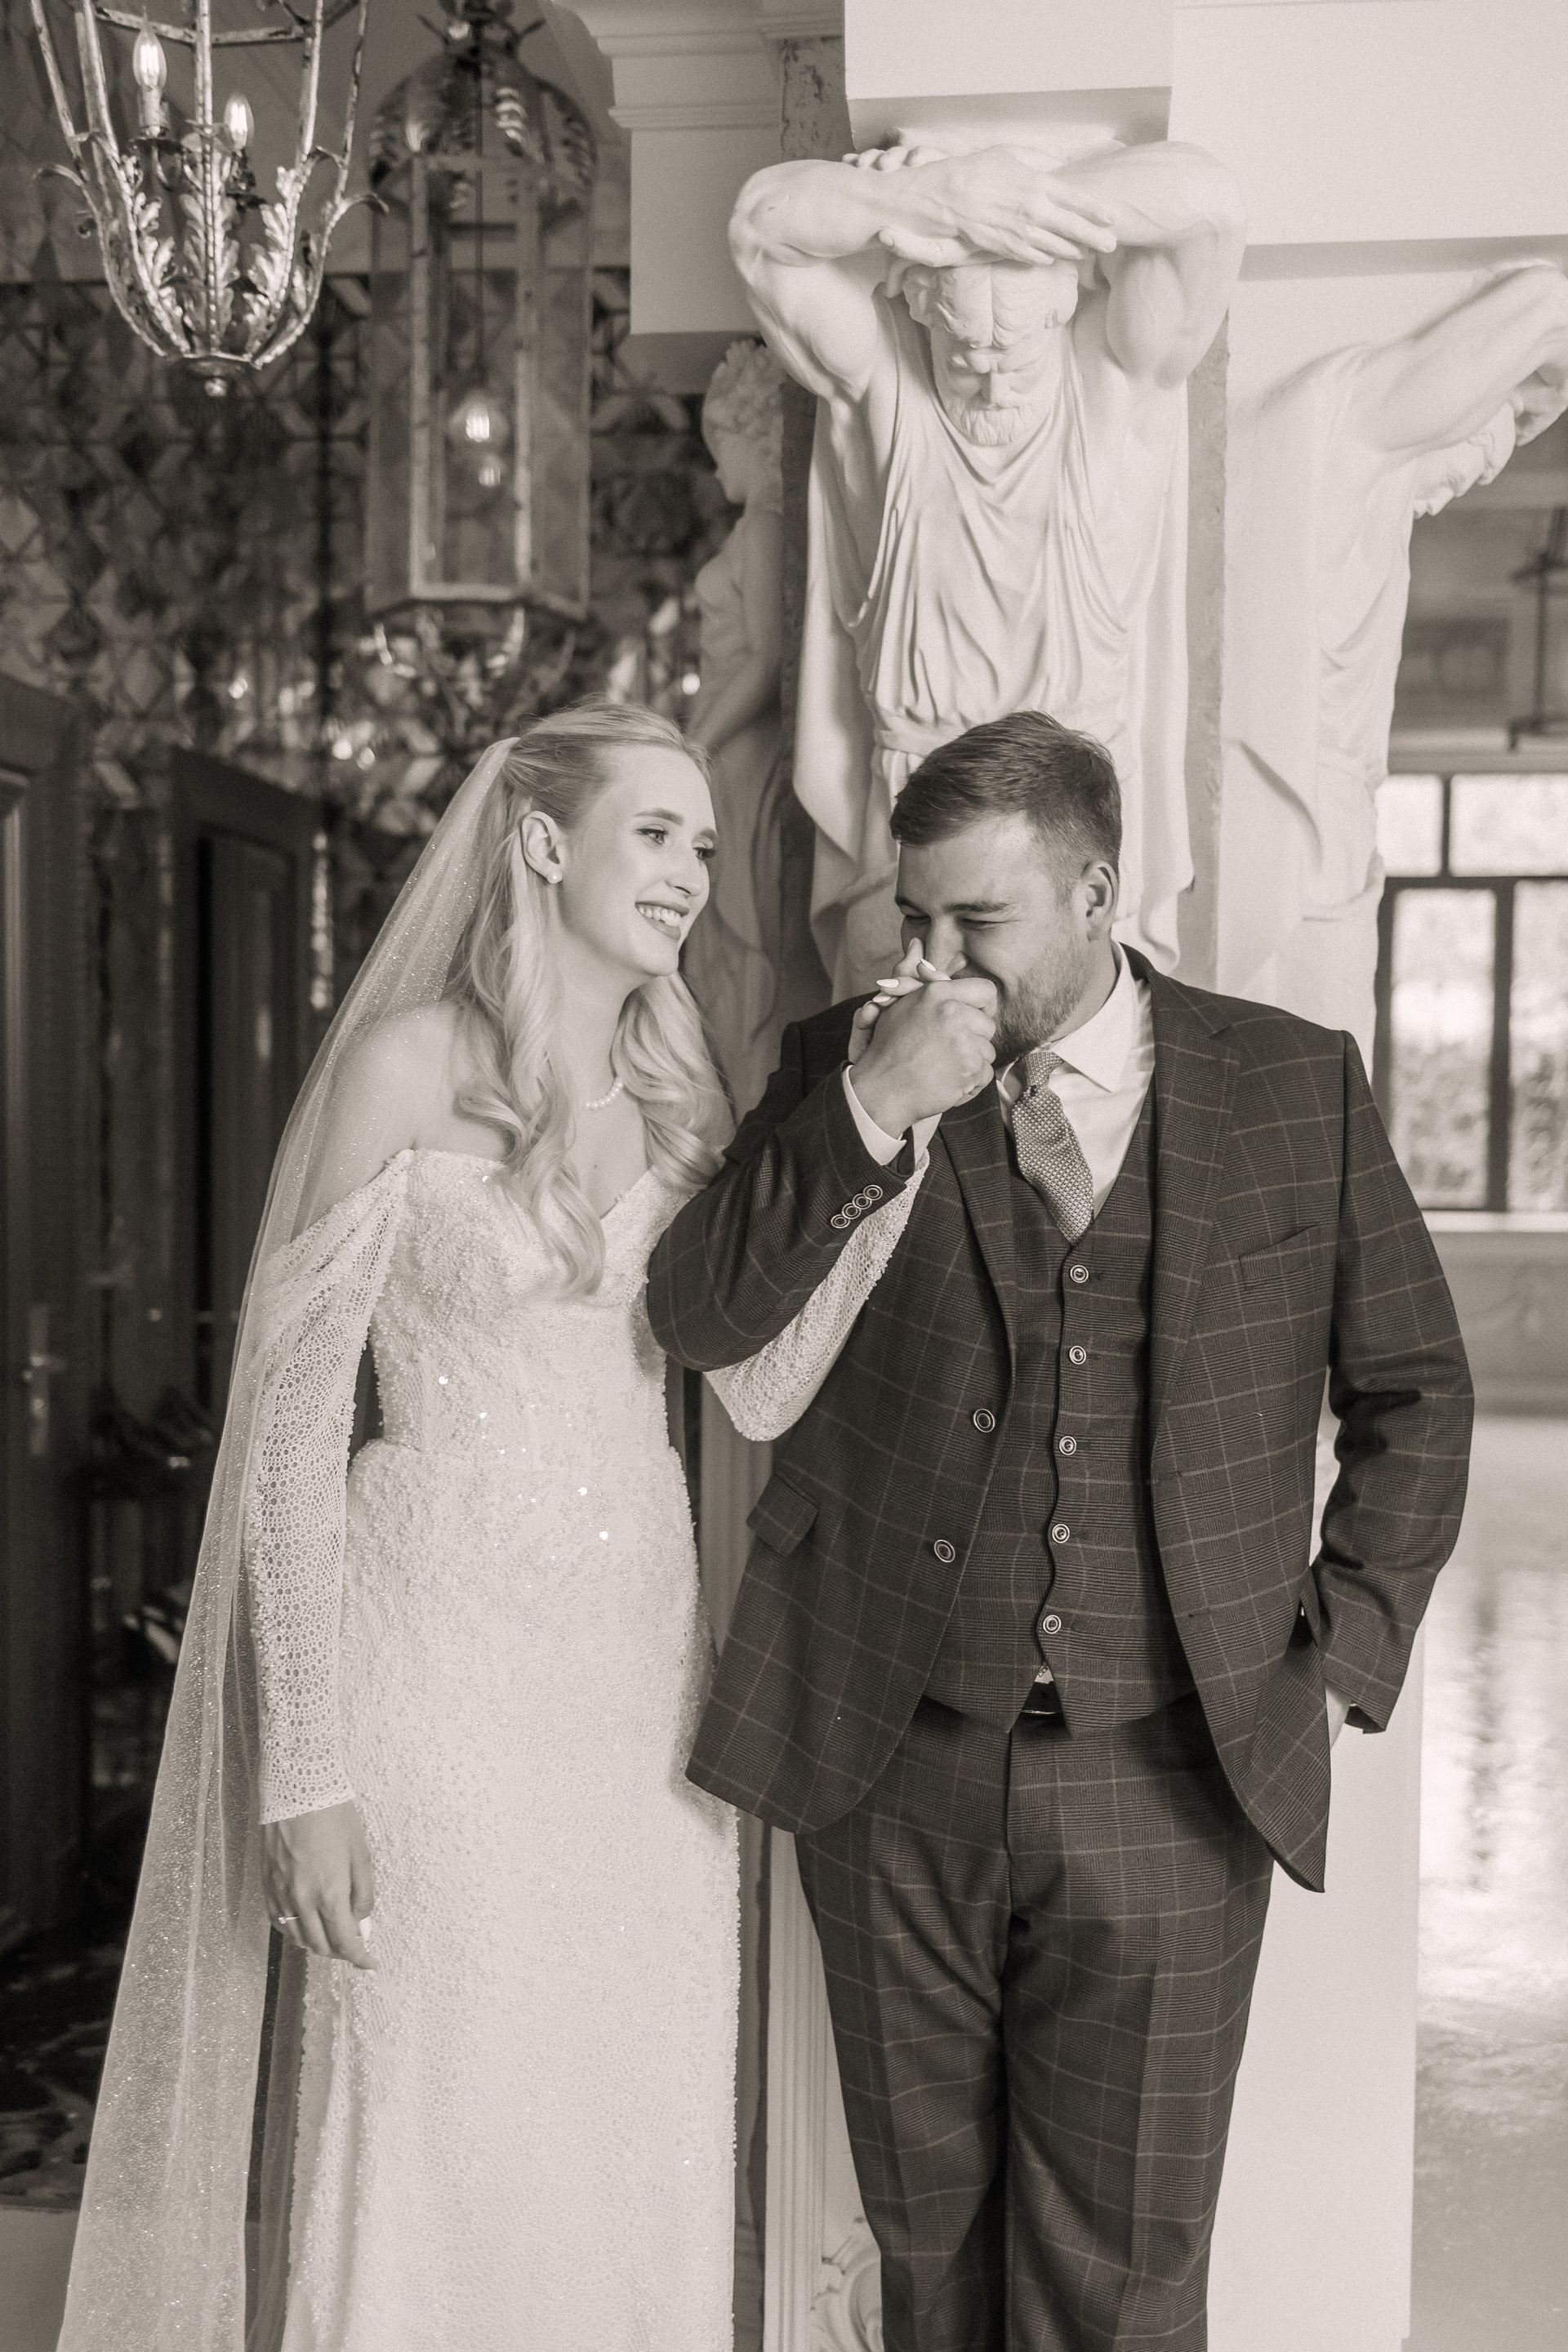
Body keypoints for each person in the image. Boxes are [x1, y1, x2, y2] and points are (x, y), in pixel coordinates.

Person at [647, 709, 1473, 2350]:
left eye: (980, 921)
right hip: (891, 1763)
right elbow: (705, 1317)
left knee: (1126, 2282)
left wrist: (1336, 1661)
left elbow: (1416, 1392)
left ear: (1096, 894)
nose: (935, 961)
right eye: (916, 918)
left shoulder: (1288, 1085)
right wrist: (874, 1107)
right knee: (930, 2264)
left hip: (1173, 1772)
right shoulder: (843, 1066)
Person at [59, 706, 742, 2352]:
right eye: (657, 834)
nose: (692, 876)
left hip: (641, 1697)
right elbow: (290, 1435)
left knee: (629, 2112)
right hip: (437, 1669)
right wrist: (306, 1768)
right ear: (544, 842)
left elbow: (759, 1380)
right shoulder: (404, 1068)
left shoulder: (684, 1087)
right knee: (438, 2104)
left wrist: (886, 1140)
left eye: (708, 848)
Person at [729, 136, 1245, 992]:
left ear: (1061, 314)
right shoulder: (886, 387)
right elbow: (759, 230)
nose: (994, 384)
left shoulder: (1114, 383)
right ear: (923, 314)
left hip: (1070, 819)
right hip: (910, 814)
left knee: (1083, 1056)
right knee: (892, 1056)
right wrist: (936, 198)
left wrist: (1032, 199)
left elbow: (1212, 206)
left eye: (1017, 357)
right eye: (965, 357)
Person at [680, 336, 788, 1114]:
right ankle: (726, 1099)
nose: (719, 472)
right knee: (716, 939)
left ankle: (746, 1103)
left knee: (741, 933)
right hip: (721, 749)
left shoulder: (765, 528)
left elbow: (766, 658)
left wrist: (694, 746)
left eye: (722, 448)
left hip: (739, 752)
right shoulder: (752, 527)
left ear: (754, 437)